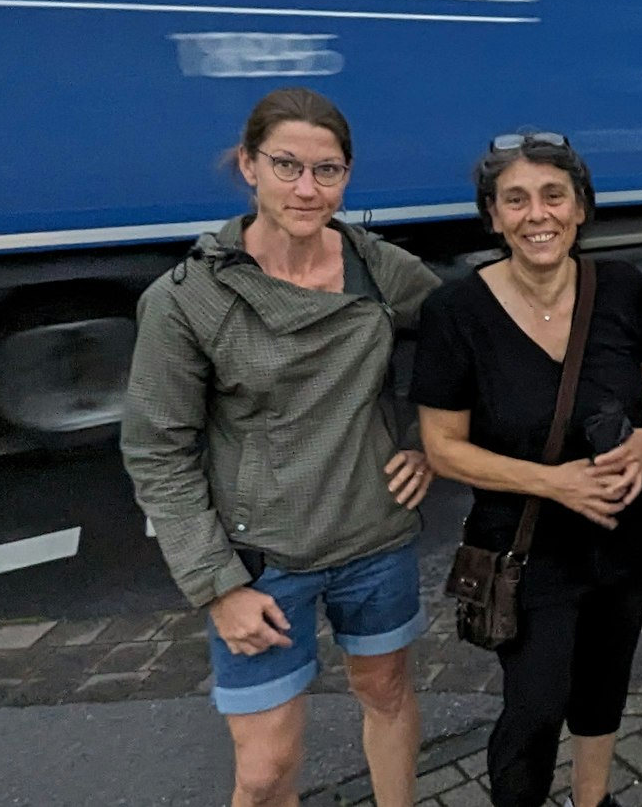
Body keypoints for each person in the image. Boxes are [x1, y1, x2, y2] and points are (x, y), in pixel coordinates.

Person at [122, 88, 439, 807]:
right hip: (261, 563)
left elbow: (471, 340)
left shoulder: (379, 268)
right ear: (248, 165)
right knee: (265, 770)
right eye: (287, 165)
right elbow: (157, 452)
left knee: (386, 692)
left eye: (327, 171)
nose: (307, 188)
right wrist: (218, 584)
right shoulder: (188, 300)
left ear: (348, 176)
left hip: (375, 538)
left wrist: (430, 443)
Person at [411, 133, 642, 807]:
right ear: (492, 216)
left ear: (581, 207)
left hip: (623, 533)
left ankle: (593, 799)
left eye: (554, 195)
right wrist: (557, 482)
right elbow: (442, 447)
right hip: (527, 546)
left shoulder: (621, 288)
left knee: (603, 683)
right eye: (516, 200)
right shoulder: (455, 313)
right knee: (535, 705)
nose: (537, 214)